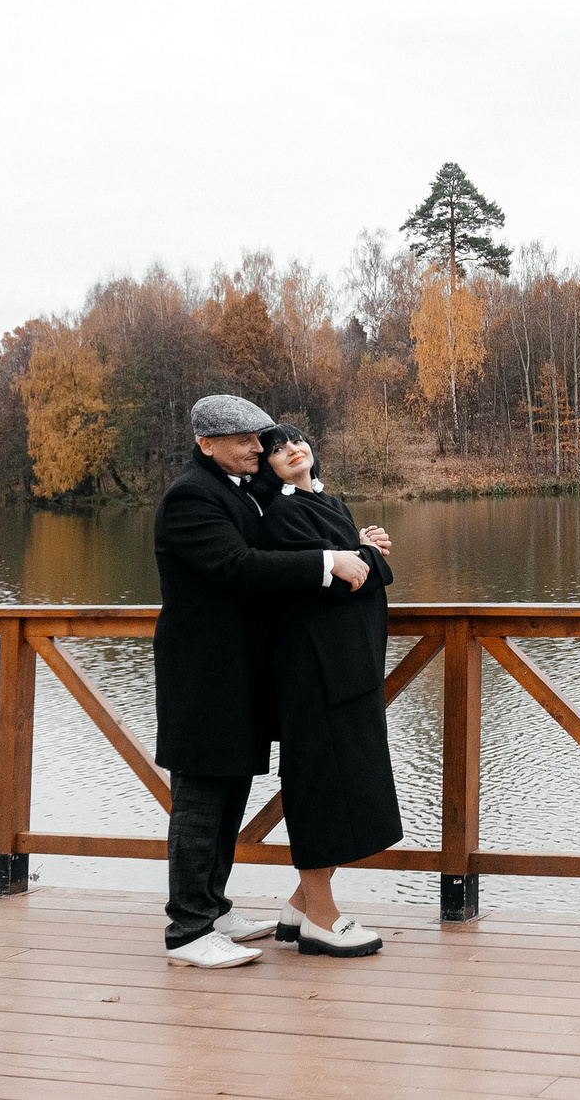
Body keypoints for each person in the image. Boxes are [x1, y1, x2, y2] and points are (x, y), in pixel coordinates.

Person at [152, 394, 374, 968]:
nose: (259, 448)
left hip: (239, 673)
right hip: (202, 674)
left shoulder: (238, 490)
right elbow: (238, 565)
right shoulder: (190, 497)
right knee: (200, 801)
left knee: (230, 795)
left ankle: (214, 907)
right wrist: (329, 563)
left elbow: (288, 522)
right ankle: (188, 929)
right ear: (206, 443)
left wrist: (356, 544)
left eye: (260, 438)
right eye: (247, 440)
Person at [247, 423, 403, 957]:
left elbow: (358, 566)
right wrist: (362, 555)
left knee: (355, 783)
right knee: (320, 785)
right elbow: (350, 576)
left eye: (296, 441)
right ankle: (321, 917)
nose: (291, 449)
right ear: (265, 467)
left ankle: (298, 907)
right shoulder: (282, 513)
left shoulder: (329, 502)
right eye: (276, 449)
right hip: (314, 671)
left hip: (352, 668)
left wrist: (360, 552)